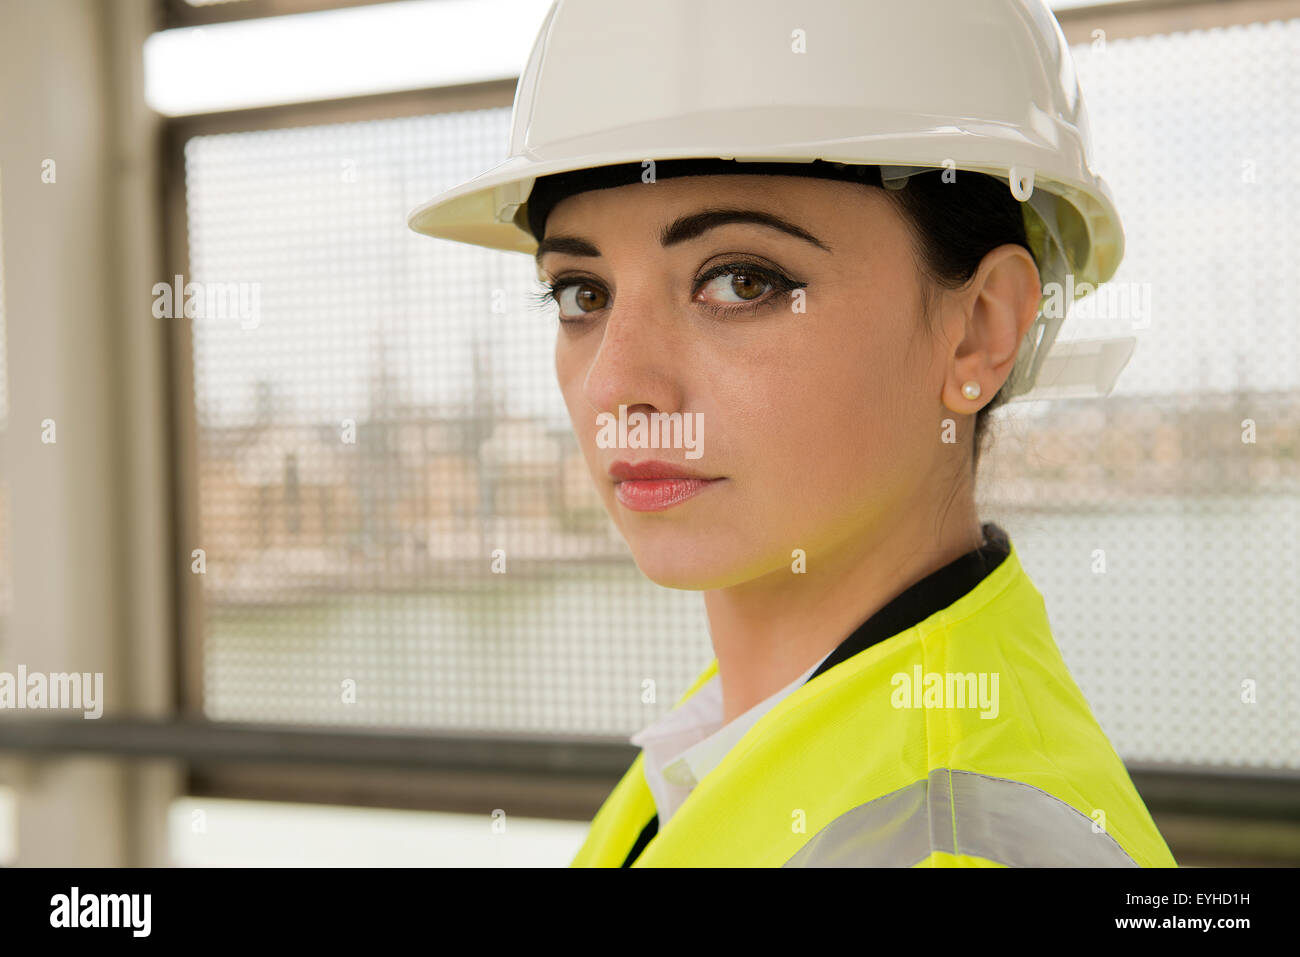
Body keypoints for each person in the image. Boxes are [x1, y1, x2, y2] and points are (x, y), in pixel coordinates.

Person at [407, 0, 1176, 867]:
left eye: (740, 281)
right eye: (583, 293)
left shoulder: (957, 848)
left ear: (980, 331)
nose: (617, 384)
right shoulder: (742, 727)